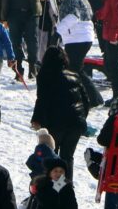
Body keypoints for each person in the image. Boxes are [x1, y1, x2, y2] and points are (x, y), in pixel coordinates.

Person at [30, 46, 90, 180]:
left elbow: (42, 100)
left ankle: (54, 188)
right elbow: (86, 100)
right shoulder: (74, 75)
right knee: (67, 157)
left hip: (55, 123)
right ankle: (66, 189)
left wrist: (37, 119)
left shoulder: (45, 74)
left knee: (51, 156)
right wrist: (81, 118)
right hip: (76, 123)